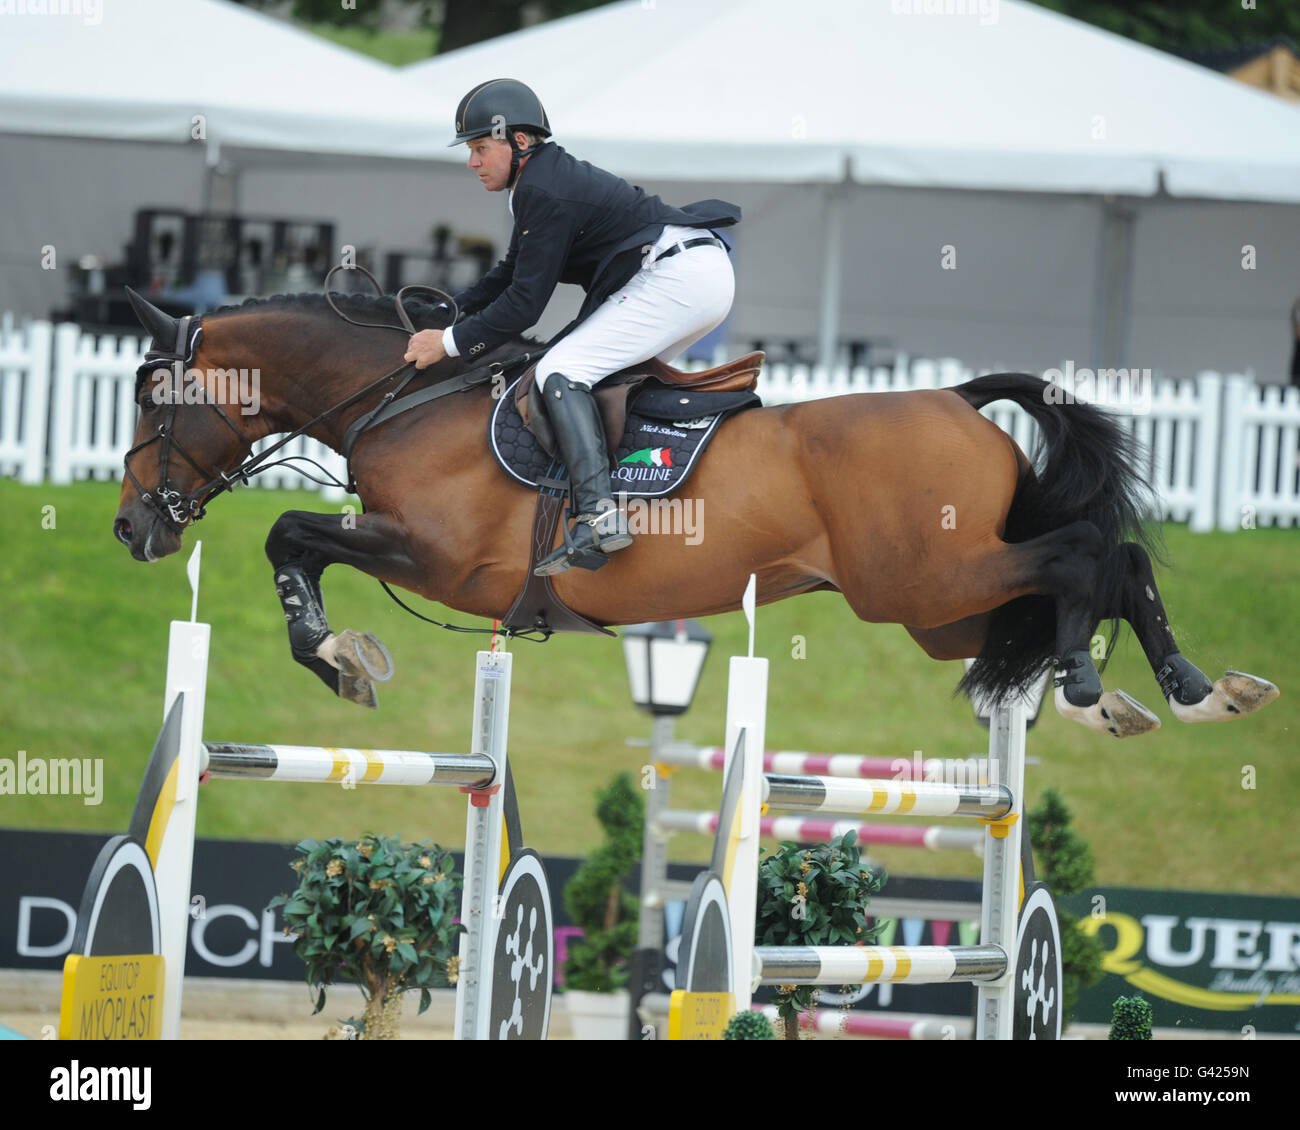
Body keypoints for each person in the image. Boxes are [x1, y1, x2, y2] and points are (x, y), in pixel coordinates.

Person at [404, 78, 740, 576]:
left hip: (678, 277)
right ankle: (633, 483)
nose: (472, 162)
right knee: (593, 374)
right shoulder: (536, 182)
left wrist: (450, 343)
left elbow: (524, 305)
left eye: (479, 148)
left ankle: (599, 515)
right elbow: (509, 273)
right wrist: (448, 311)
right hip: (692, 274)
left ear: (519, 142)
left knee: (560, 370)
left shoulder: (542, 189)